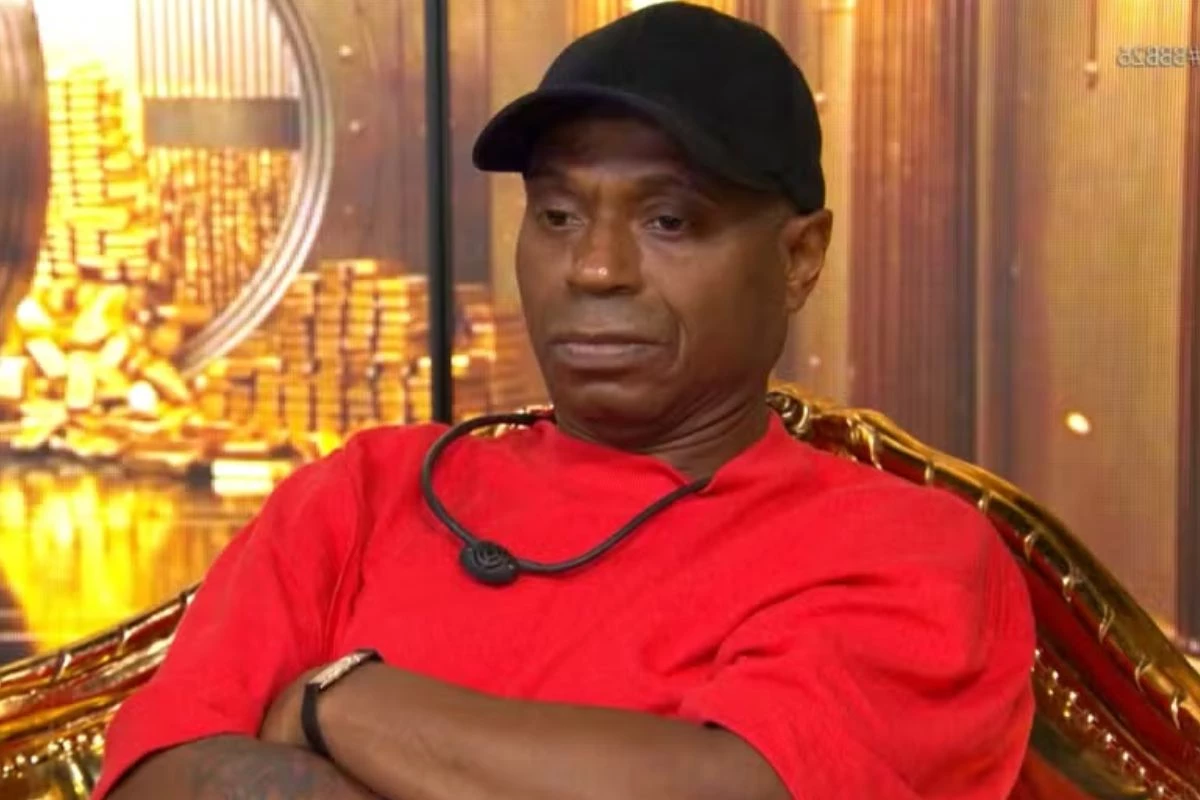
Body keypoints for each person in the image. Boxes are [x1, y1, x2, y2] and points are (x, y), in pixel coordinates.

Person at [95, 3, 1035, 799]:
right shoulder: (364, 495)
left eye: (669, 220)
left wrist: (333, 702)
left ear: (799, 258)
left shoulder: (900, 549)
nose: (593, 267)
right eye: (557, 216)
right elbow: (160, 774)